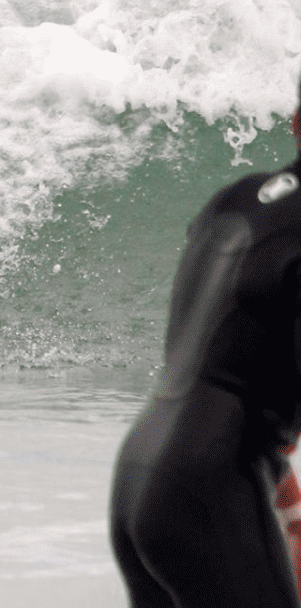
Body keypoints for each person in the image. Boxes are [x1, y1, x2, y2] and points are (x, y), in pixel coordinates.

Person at [111, 79, 301, 605]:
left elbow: (225, 365)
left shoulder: (235, 200)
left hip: (139, 475)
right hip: (209, 491)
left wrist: (279, 498)